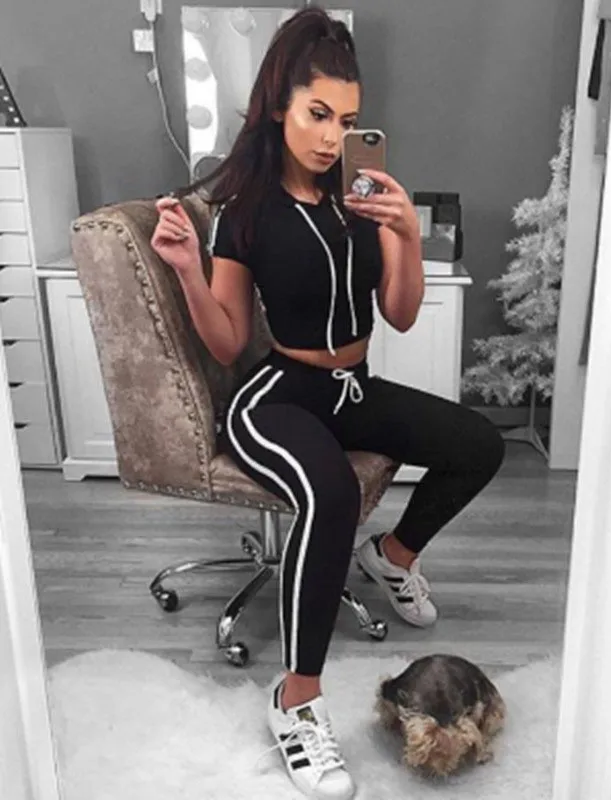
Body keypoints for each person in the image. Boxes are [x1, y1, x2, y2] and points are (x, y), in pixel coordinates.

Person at [150, 6, 504, 798]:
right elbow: (228, 342)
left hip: (352, 387)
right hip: (276, 394)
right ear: (279, 105)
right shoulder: (244, 212)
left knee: (478, 444)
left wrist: (404, 235)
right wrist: (186, 270)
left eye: (346, 120)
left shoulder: (361, 197)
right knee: (332, 491)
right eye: (317, 113)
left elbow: (400, 314)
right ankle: (296, 698)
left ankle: (394, 558)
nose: (330, 136)